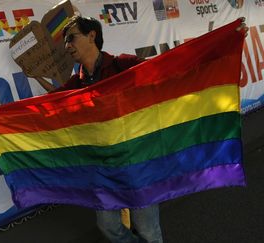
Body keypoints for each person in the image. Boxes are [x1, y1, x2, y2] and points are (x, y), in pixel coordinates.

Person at [25, 15, 249, 243]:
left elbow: (169, 68)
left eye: (71, 38)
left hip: (137, 165)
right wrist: (38, 79)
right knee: (108, 227)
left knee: (149, 231)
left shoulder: (123, 65)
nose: (67, 46)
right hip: (103, 169)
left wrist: (226, 39)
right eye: (65, 41)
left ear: (92, 36)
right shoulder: (78, 83)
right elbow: (55, 102)